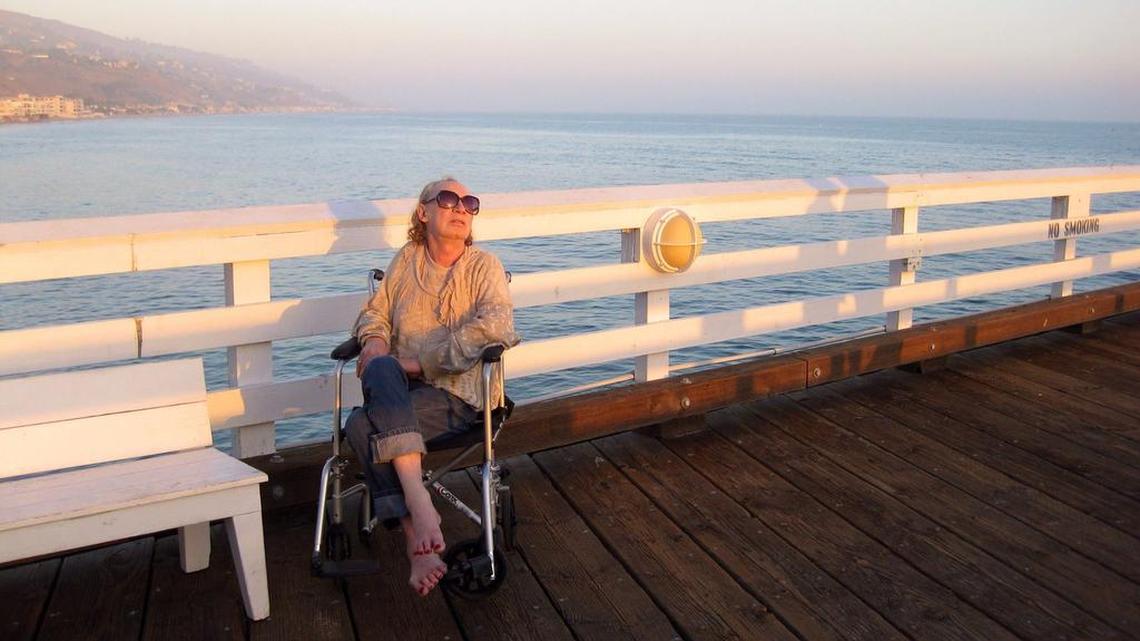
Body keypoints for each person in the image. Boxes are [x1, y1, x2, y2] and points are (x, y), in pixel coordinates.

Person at [346, 177, 519, 597]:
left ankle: (412, 528)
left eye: (469, 202)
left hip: (461, 399)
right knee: (381, 368)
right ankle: (417, 510)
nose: (461, 208)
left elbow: (495, 328)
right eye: (448, 199)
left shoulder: (484, 267)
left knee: (360, 426)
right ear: (423, 212)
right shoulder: (407, 260)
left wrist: (416, 363)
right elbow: (375, 312)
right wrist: (375, 339)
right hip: (401, 394)